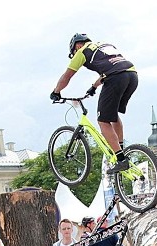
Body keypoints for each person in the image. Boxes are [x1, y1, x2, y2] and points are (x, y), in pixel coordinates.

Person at [51, 34, 138, 175]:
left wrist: (56, 92)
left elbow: (67, 76)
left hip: (115, 78)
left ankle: (121, 159)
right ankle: (120, 150)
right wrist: (94, 87)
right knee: (113, 115)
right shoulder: (103, 45)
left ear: (77, 46)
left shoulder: (82, 51)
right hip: (132, 75)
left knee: (103, 120)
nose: (74, 55)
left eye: (73, 52)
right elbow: (111, 67)